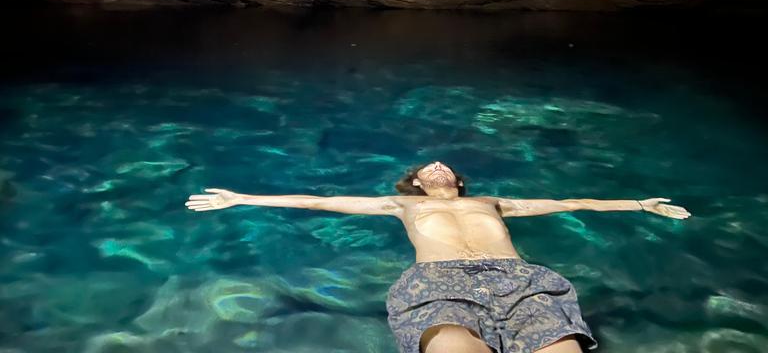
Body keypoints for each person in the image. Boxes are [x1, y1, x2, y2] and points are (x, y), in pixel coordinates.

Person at [185, 161, 690, 353]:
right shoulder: (401, 203)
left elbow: (571, 202)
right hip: (437, 281)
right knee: (453, 348)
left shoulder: (491, 201)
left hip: (521, 278)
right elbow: (317, 200)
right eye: (431, 167)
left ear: (459, 181)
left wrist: (640, 203)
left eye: (447, 166)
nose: (441, 167)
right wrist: (242, 197)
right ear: (418, 182)